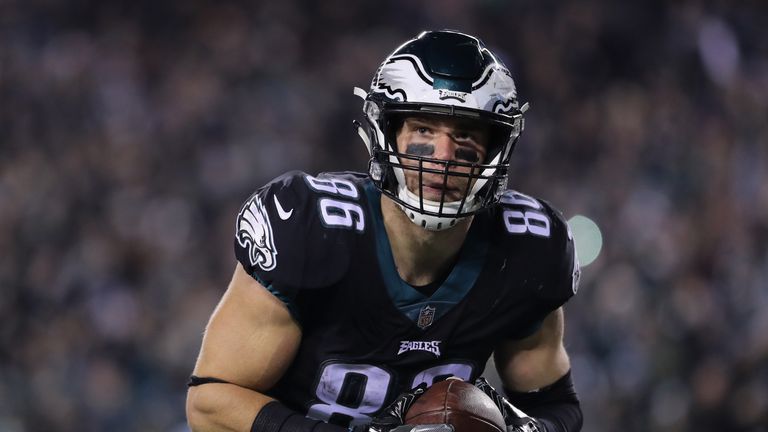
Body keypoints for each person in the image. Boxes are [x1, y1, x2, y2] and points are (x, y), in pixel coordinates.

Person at [186, 30, 583, 432]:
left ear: (496, 150)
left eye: (465, 134)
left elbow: (555, 405)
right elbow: (210, 402)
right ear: (386, 132)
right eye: (424, 129)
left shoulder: (531, 248)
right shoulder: (310, 228)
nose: (443, 157)